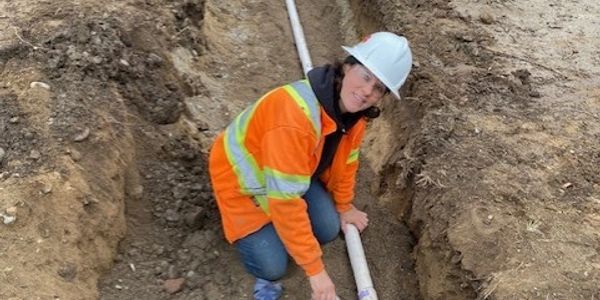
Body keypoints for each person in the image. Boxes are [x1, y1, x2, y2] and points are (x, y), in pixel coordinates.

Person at [208, 32, 412, 300]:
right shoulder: (294, 116)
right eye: (365, 77)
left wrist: (344, 206)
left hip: (290, 177)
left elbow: (345, 164)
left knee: (327, 228)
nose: (367, 92)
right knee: (273, 266)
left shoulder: (354, 118)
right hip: (244, 187)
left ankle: (289, 237)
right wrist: (316, 273)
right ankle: (267, 255)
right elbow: (284, 200)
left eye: (378, 88)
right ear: (348, 66)